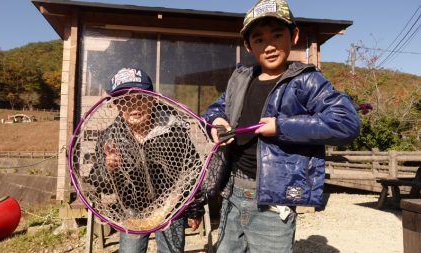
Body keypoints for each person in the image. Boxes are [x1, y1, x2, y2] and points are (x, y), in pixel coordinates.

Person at [202, 0, 361, 252]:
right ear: (248, 45)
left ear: (294, 35)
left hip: (275, 201)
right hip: (233, 191)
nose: (270, 46)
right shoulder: (240, 77)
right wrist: (217, 120)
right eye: (259, 39)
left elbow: (346, 123)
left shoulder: (307, 80)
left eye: (278, 35)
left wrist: (281, 126)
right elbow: (216, 108)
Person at [88, 67, 206, 253]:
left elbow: (192, 172)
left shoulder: (173, 131)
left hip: (171, 209)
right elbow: (99, 183)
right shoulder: (110, 137)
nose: (134, 106)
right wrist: (108, 167)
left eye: (140, 97)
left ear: (152, 98)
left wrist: (195, 210)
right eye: (125, 100)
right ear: (117, 105)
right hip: (132, 211)